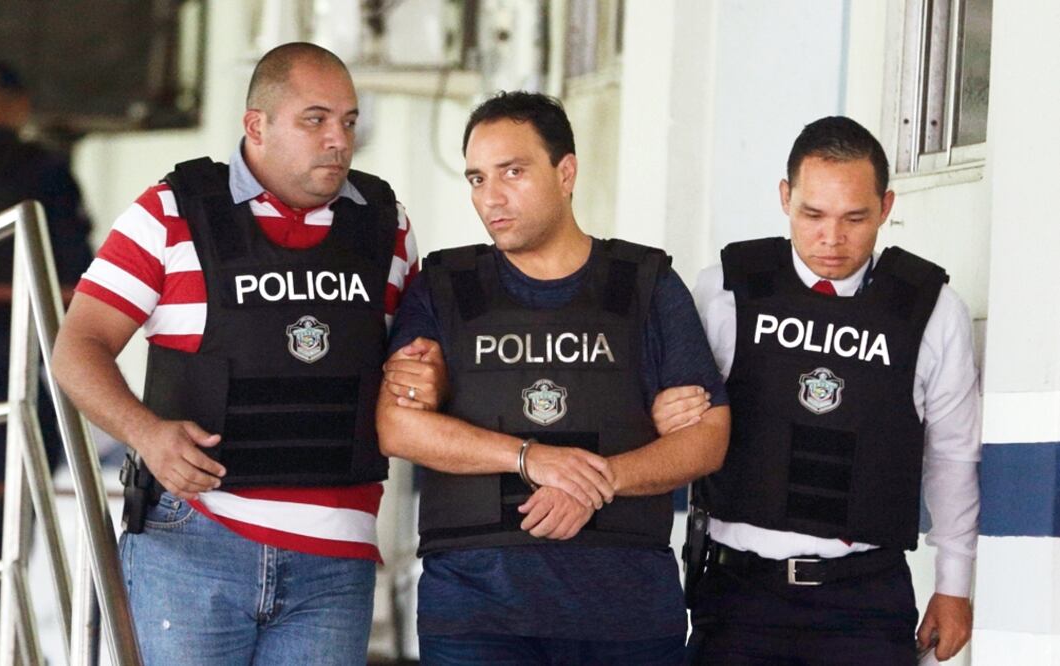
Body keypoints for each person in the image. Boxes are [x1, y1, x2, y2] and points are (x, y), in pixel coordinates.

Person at [51, 43, 430, 665]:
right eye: (315, 119)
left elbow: (412, 364)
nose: (338, 139)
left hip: (336, 556)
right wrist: (147, 434)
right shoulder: (171, 212)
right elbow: (77, 346)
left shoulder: (386, 224)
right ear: (256, 125)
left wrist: (423, 375)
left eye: (349, 120)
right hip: (194, 541)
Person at [376, 91, 731, 665]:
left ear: (566, 172)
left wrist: (601, 480)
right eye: (476, 179)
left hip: (626, 614)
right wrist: (530, 457)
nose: (492, 198)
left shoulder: (645, 285)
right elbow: (396, 428)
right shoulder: (445, 287)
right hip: (476, 612)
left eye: (512, 172)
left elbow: (709, 436)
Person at [658, 116, 980, 664]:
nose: (832, 238)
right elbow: (675, 421)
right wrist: (664, 412)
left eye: (856, 218)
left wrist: (955, 586)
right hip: (739, 595)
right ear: (785, 198)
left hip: (865, 600)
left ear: (886, 206)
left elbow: (952, 453)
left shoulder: (931, 311)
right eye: (813, 215)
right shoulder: (725, 289)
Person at [0, 59, 93, 660]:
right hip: (21, 353)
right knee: (19, 486)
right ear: (20, 107)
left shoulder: (44, 169)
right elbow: (76, 269)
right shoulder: (44, 170)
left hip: (11, 352)